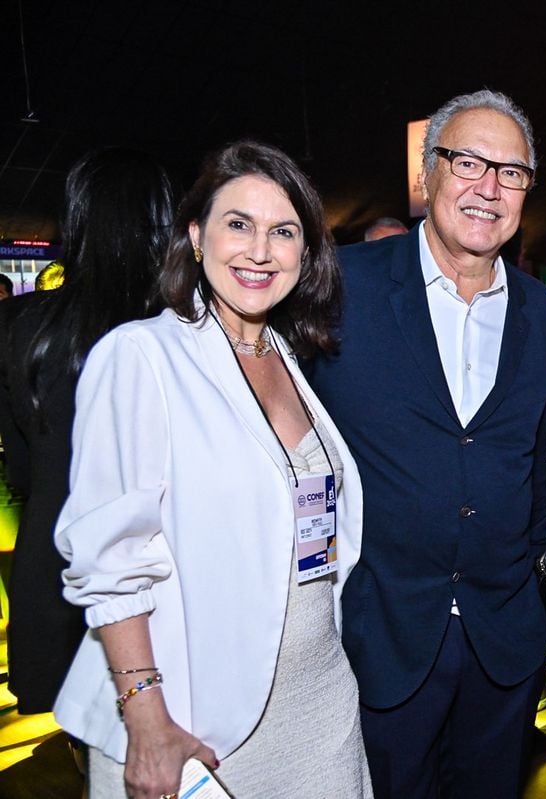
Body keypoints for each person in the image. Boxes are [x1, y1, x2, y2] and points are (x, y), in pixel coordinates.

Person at [53, 141, 370, 799]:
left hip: (319, 704)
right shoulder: (142, 356)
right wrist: (146, 719)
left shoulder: (286, 355)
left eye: (283, 231)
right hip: (194, 722)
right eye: (237, 224)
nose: (259, 249)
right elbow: (111, 560)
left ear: (306, 254)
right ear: (196, 236)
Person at [307, 90, 546, 799]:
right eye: (469, 162)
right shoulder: (339, 286)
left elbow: (533, 457)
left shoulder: (542, 311)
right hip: (380, 633)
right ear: (428, 174)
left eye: (510, 172)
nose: (489, 187)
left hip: (502, 637)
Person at [0, 148, 173, 717]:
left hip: (53, 568)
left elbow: (22, 472)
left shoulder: (23, 326)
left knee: (89, 748)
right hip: (156, 579)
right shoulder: (175, 329)